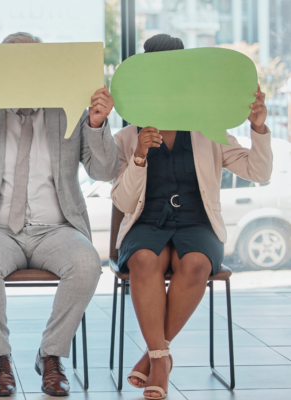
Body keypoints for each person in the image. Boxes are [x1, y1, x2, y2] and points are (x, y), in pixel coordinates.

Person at [0, 32, 118, 397]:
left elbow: (104, 170)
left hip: (57, 227)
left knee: (86, 263)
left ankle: (51, 354)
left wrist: (97, 123)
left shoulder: (68, 106)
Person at [111, 34, 273, 400]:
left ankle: (155, 357)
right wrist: (139, 157)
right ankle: (162, 362)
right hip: (146, 223)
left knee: (196, 263)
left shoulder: (207, 129)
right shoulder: (127, 135)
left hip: (197, 223)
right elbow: (121, 199)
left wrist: (258, 128)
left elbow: (258, 172)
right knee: (144, 259)